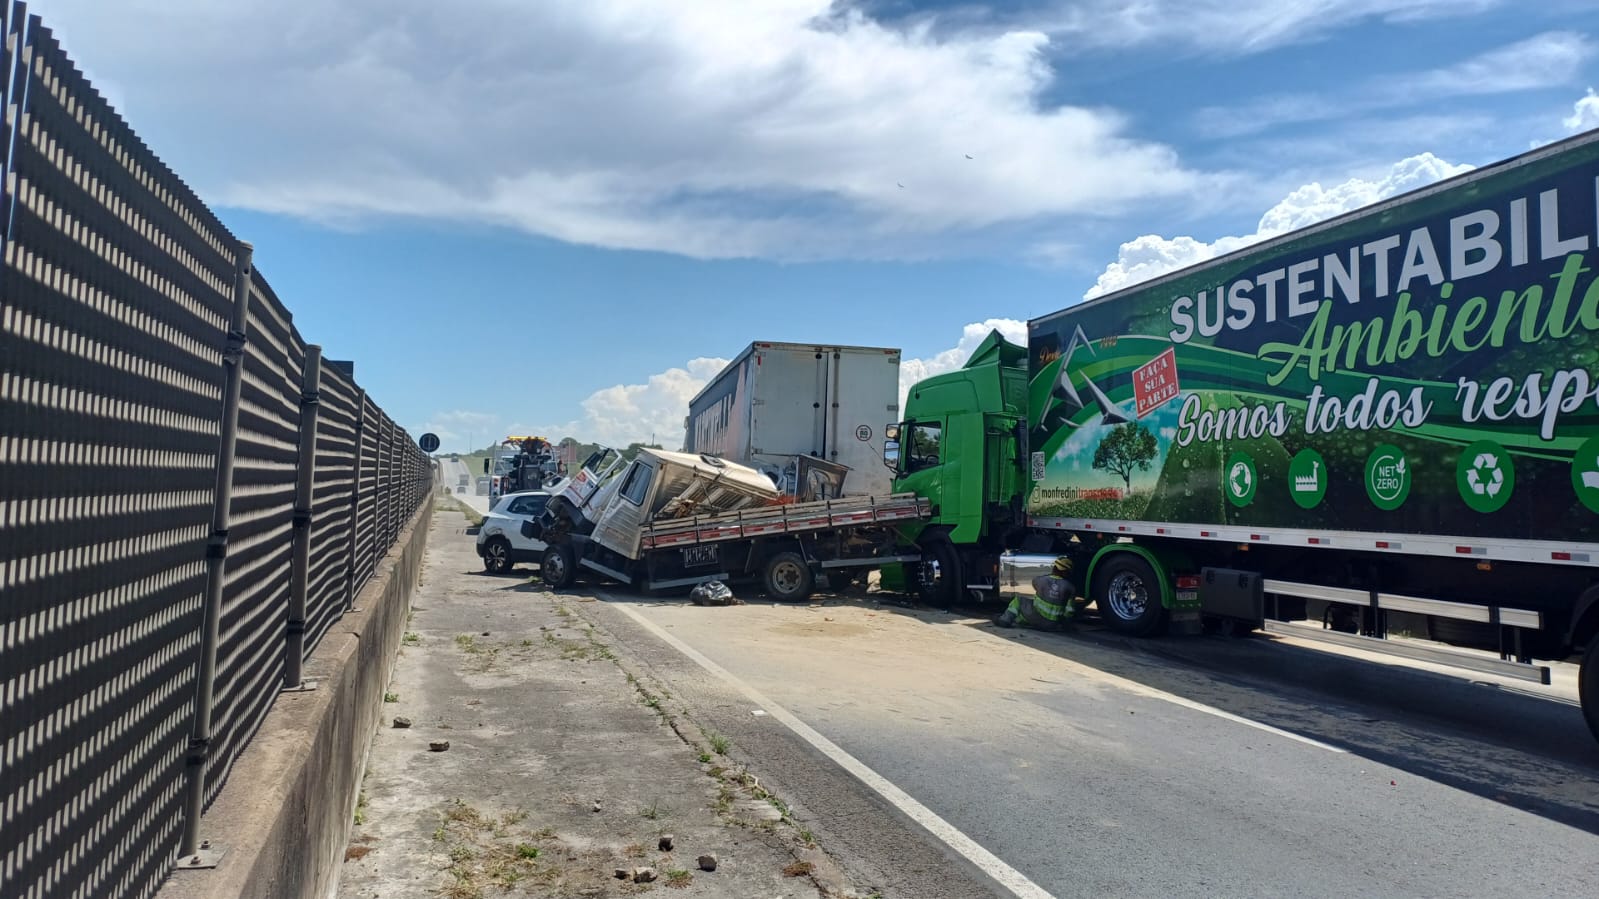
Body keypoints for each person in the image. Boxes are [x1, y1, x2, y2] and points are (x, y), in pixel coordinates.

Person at [994, 556, 1078, 630]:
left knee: (1019, 600)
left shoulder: (1040, 580)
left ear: (1054, 568)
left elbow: (1035, 585)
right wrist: (1065, 626)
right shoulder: (1071, 588)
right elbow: (1069, 611)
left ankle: (1004, 620)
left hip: (1036, 618)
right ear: (1067, 572)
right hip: (1053, 625)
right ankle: (1018, 620)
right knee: (1026, 613)